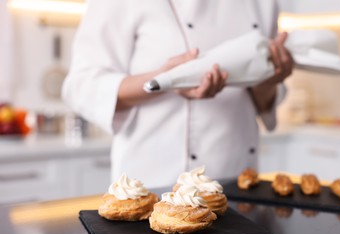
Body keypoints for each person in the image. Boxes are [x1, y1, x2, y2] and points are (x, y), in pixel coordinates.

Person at [62, 0, 294, 188]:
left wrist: (268, 80)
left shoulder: (264, 3)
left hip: (238, 181)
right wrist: (165, 80)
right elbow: (81, 85)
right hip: (155, 183)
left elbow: (261, 101)